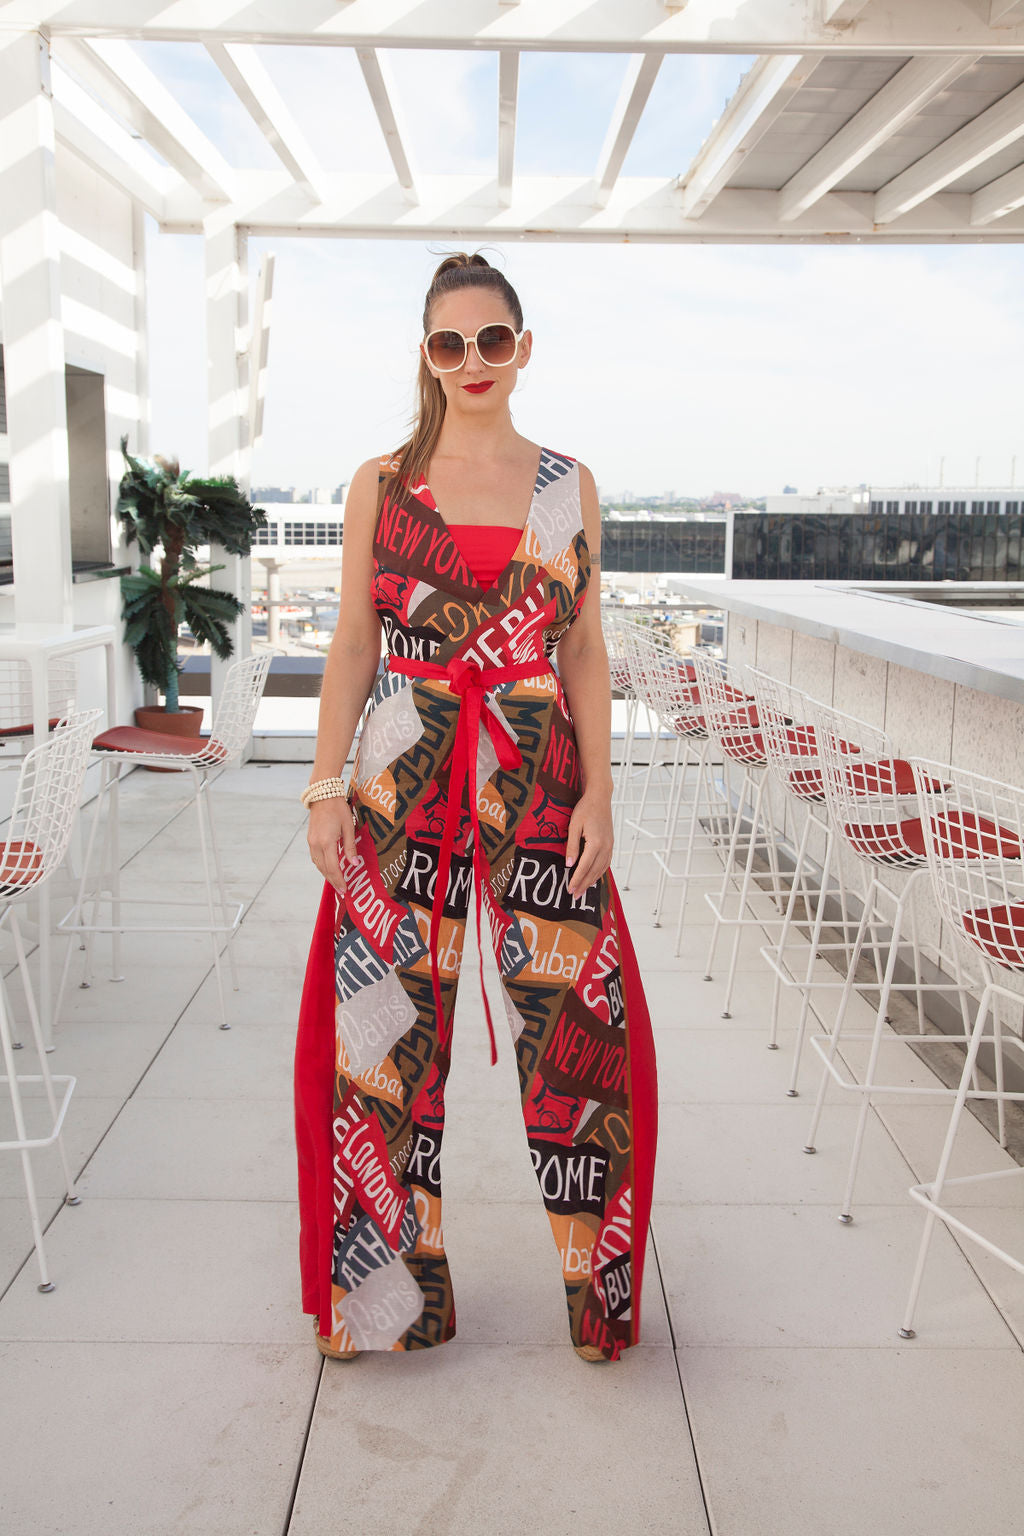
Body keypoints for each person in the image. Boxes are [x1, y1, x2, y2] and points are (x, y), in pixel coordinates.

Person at [294, 252, 657, 1364]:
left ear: (523, 345)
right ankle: (383, 1302)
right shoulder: (380, 484)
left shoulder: (568, 483)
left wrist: (601, 786)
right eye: (450, 345)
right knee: (383, 1043)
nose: (473, 363)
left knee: (581, 1035)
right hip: (400, 778)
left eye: (491, 340)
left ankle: (597, 1298)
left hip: (540, 768)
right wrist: (322, 785)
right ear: (426, 355)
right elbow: (356, 643)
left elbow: (584, 647)